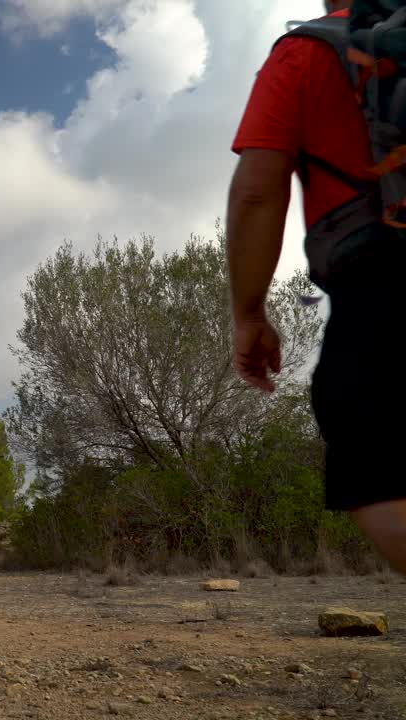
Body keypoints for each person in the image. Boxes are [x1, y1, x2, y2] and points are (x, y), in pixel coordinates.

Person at [226, 0, 406, 573]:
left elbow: (258, 191)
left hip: (382, 282)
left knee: (375, 463)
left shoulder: (305, 52)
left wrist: (249, 314)